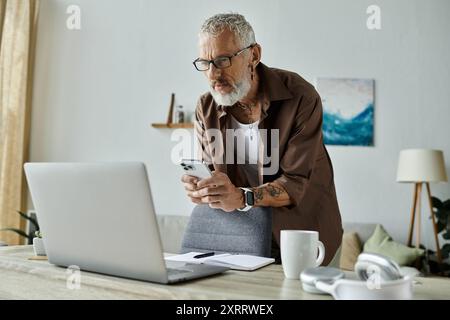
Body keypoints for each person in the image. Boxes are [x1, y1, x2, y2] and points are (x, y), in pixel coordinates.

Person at [181, 13, 342, 265]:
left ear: (253, 55)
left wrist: (243, 196)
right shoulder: (206, 106)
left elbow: (295, 182)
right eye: (205, 62)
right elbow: (215, 176)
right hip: (242, 241)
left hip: (305, 236)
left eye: (223, 60)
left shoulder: (301, 97)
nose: (213, 74)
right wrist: (204, 190)